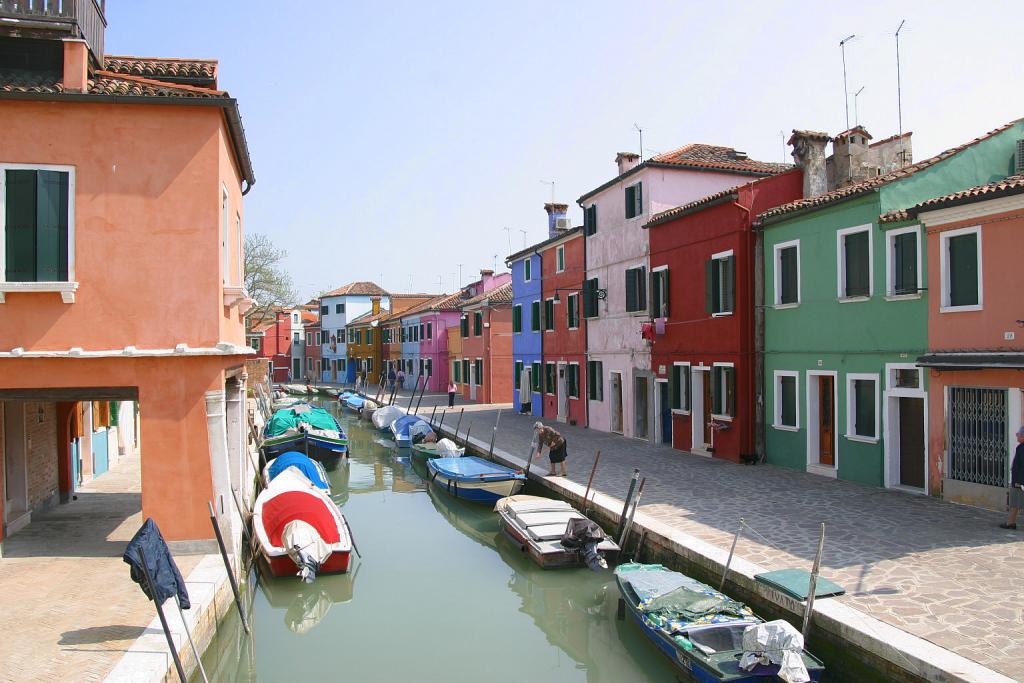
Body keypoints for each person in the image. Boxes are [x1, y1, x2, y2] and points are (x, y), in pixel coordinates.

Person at [1000, 426, 1024, 529]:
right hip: (1018, 480)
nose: (1016, 435)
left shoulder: (1022, 448)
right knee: (1014, 502)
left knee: (1016, 502)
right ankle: (1011, 522)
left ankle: (1011, 522)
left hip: (1020, 481)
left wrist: (1020, 482)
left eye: (1018, 434)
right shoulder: (1020, 447)